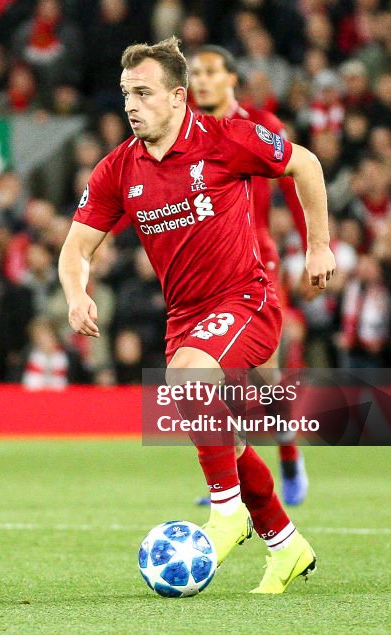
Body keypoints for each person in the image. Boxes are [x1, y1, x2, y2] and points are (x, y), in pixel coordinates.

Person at [59, 38, 334, 594]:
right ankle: (285, 545)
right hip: (185, 320)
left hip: (248, 300)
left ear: (179, 97)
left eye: (144, 93)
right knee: (225, 439)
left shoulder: (226, 139)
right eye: (125, 94)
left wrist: (319, 245)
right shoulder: (119, 169)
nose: (131, 105)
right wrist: (76, 293)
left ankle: (228, 514)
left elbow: (305, 163)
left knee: (188, 377)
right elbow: (75, 249)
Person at [189, 44, 311, 505]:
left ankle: (289, 458)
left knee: (264, 372)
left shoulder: (260, 127)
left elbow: (299, 179)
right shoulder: (187, 131)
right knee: (213, 374)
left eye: (210, 71)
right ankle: (230, 479)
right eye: (194, 73)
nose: (201, 80)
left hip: (256, 258)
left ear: (231, 78)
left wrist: (314, 248)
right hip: (206, 266)